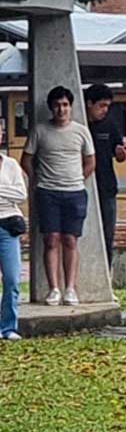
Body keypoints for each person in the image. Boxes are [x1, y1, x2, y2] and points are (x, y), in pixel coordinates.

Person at [21, 85, 96, 306]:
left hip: (75, 192)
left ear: (71, 107)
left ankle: (70, 288)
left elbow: (91, 161)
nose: (61, 109)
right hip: (47, 192)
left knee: (70, 240)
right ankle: (54, 288)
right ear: (51, 107)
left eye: (65, 105)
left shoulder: (81, 131)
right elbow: (26, 160)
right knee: (51, 239)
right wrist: (37, 181)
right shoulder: (40, 130)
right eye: (57, 105)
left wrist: (78, 179)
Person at [86, 83, 126, 267]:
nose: (104, 110)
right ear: (89, 103)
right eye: (101, 106)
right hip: (83, 185)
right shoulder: (79, 125)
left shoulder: (110, 124)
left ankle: (106, 271)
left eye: (107, 106)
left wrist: (121, 154)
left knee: (107, 233)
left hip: (107, 186)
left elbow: (119, 154)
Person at [1, 126, 26, 340]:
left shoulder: (11, 165)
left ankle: (8, 327)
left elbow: (20, 194)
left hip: (8, 225)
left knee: (12, 278)